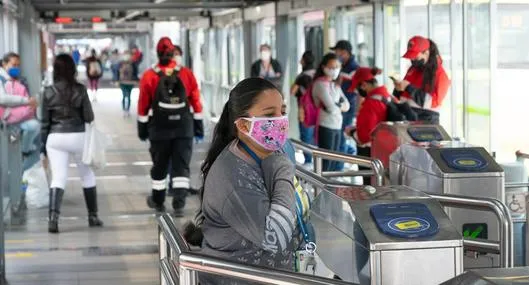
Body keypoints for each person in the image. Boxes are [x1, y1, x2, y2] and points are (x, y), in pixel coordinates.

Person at [198, 77, 296, 284]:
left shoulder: (269, 152)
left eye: (283, 112)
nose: (280, 121)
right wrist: (283, 168)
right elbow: (276, 236)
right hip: (240, 278)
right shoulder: (233, 175)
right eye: (270, 115)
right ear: (243, 125)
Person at [137, 37, 204, 216]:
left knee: (159, 165)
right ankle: (179, 203)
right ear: (173, 53)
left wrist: (142, 128)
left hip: (159, 129)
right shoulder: (186, 74)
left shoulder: (149, 76)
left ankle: (158, 201)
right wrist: (198, 126)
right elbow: (196, 101)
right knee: (181, 165)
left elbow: (143, 104)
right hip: (184, 127)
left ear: (157, 54)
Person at [41, 54, 103, 233]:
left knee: (58, 178)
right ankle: (93, 217)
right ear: (73, 69)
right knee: (87, 175)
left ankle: (53, 220)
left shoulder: (48, 92)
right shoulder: (81, 90)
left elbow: (45, 123)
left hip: (55, 138)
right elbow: (89, 117)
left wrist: (42, 148)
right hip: (78, 136)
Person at [166, 44, 204, 196]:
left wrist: (198, 124)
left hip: (184, 119)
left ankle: (183, 186)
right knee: (169, 155)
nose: (176, 57)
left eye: (178, 53)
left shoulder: (187, 73)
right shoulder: (162, 74)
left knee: (184, 156)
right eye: (173, 54)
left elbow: (195, 97)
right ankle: (172, 186)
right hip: (166, 120)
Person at [393, 36, 450, 124]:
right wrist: (398, 89)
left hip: (426, 122)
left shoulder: (440, 75)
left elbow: (431, 103)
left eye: (415, 57)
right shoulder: (413, 69)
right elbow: (402, 96)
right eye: (411, 57)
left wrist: (408, 87)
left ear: (426, 53)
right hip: (408, 117)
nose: (412, 60)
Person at [345, 67, 388, 185]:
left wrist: (352, 133)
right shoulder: (385, 96)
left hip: (369, 151)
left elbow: (365, 136)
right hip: (381, 149)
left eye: (358, 88)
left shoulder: (371, 103)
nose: (358, 92)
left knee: (369, 186)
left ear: (363, 85)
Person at [0, 53, 41, 171]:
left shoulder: (20, 81)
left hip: (19, 122)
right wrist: (25, 101)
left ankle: (20, 176)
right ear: (4, 64)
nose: (16, 68)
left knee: (35, 131)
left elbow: (29, 101)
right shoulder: (2, 80)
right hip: (6, 123)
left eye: (18, 65)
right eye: (13, 65)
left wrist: (27, 103)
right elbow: (2, 99)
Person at [312, 53, 350, 172]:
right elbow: (331, 108)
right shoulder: (319, 84)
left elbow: (347, 105)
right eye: (331, 67)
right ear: (324, 67)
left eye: (337, 67)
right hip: (326, 125)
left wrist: (337, 105)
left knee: (334, 160)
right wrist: (339, 105)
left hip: (337, 125)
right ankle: (321, 189)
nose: (334, 70)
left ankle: (330, 189)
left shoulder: (335, 85)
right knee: (326, 162)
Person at [330, 40, 359, 171]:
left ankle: (338, 169)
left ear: (345, 52)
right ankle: (341, 161)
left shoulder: (353, 69)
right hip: (340, 106)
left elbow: (355, 92)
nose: (336, 54)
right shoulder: (343, 66)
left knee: (341, 137)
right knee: (338, 137)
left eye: (337, 51)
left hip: (348, 108)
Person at [290, 51, 316, 165]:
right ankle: (315, 160)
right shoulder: (317, 74)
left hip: (304, 109)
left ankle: (308, 160)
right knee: (313, 135)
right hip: (316, 108)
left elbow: (293, 91)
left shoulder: (302, 76)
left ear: (303, 61)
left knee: (305, 135)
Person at [117, 50, 138, 118]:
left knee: (128, 96)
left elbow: (135, 73)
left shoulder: (133, 63)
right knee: (126, 96)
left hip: (129, 82)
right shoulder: (122, 63)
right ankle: (125, 110)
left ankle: (127, 110)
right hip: (124, 82)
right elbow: (117, 72)